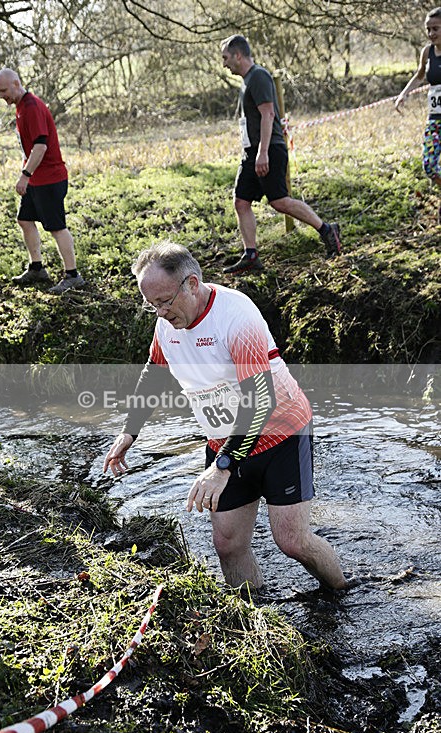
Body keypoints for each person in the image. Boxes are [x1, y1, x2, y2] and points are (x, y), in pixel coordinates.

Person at [103, 242, 347, 595]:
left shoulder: (236, 316)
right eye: (151, 305)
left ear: (191, 284)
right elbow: (154, 371)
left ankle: (341, 594)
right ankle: (254, 619)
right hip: (224, 439)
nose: (160, 313)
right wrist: (130, 431)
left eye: (165, 302)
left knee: (292, 542)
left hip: (281, 433)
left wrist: (222, 467)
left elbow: (259, 402)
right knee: (228, 544)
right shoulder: (166, 324)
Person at [220, 35, 342, 275]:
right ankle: (251, 255)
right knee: (241, 201)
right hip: (252, 151)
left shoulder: (259, 76)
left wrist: (263, 153)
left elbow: (268, 115)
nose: (224, 64)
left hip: (269, 149)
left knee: (280, 202)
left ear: (238, 55)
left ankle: (327, 230)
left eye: (226, 58)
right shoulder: (246, 81)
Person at [0, 68, 84, 294]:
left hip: (49, 178)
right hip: (37, 179)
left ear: (16, 83)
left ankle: (72, 275)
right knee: (25, 220)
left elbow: (41, 146)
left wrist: (25, 174)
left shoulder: (32, 107)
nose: (1, 95)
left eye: (3, 90)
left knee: (56, 227)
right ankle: (37, 268)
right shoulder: (21, 107)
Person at [395, 7, 441, 222]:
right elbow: (420, 75)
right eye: (428, 29)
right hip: (435, 119)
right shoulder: (427, 52)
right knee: (429, 165)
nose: (432, 34)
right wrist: (404, 94)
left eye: (436, 29)